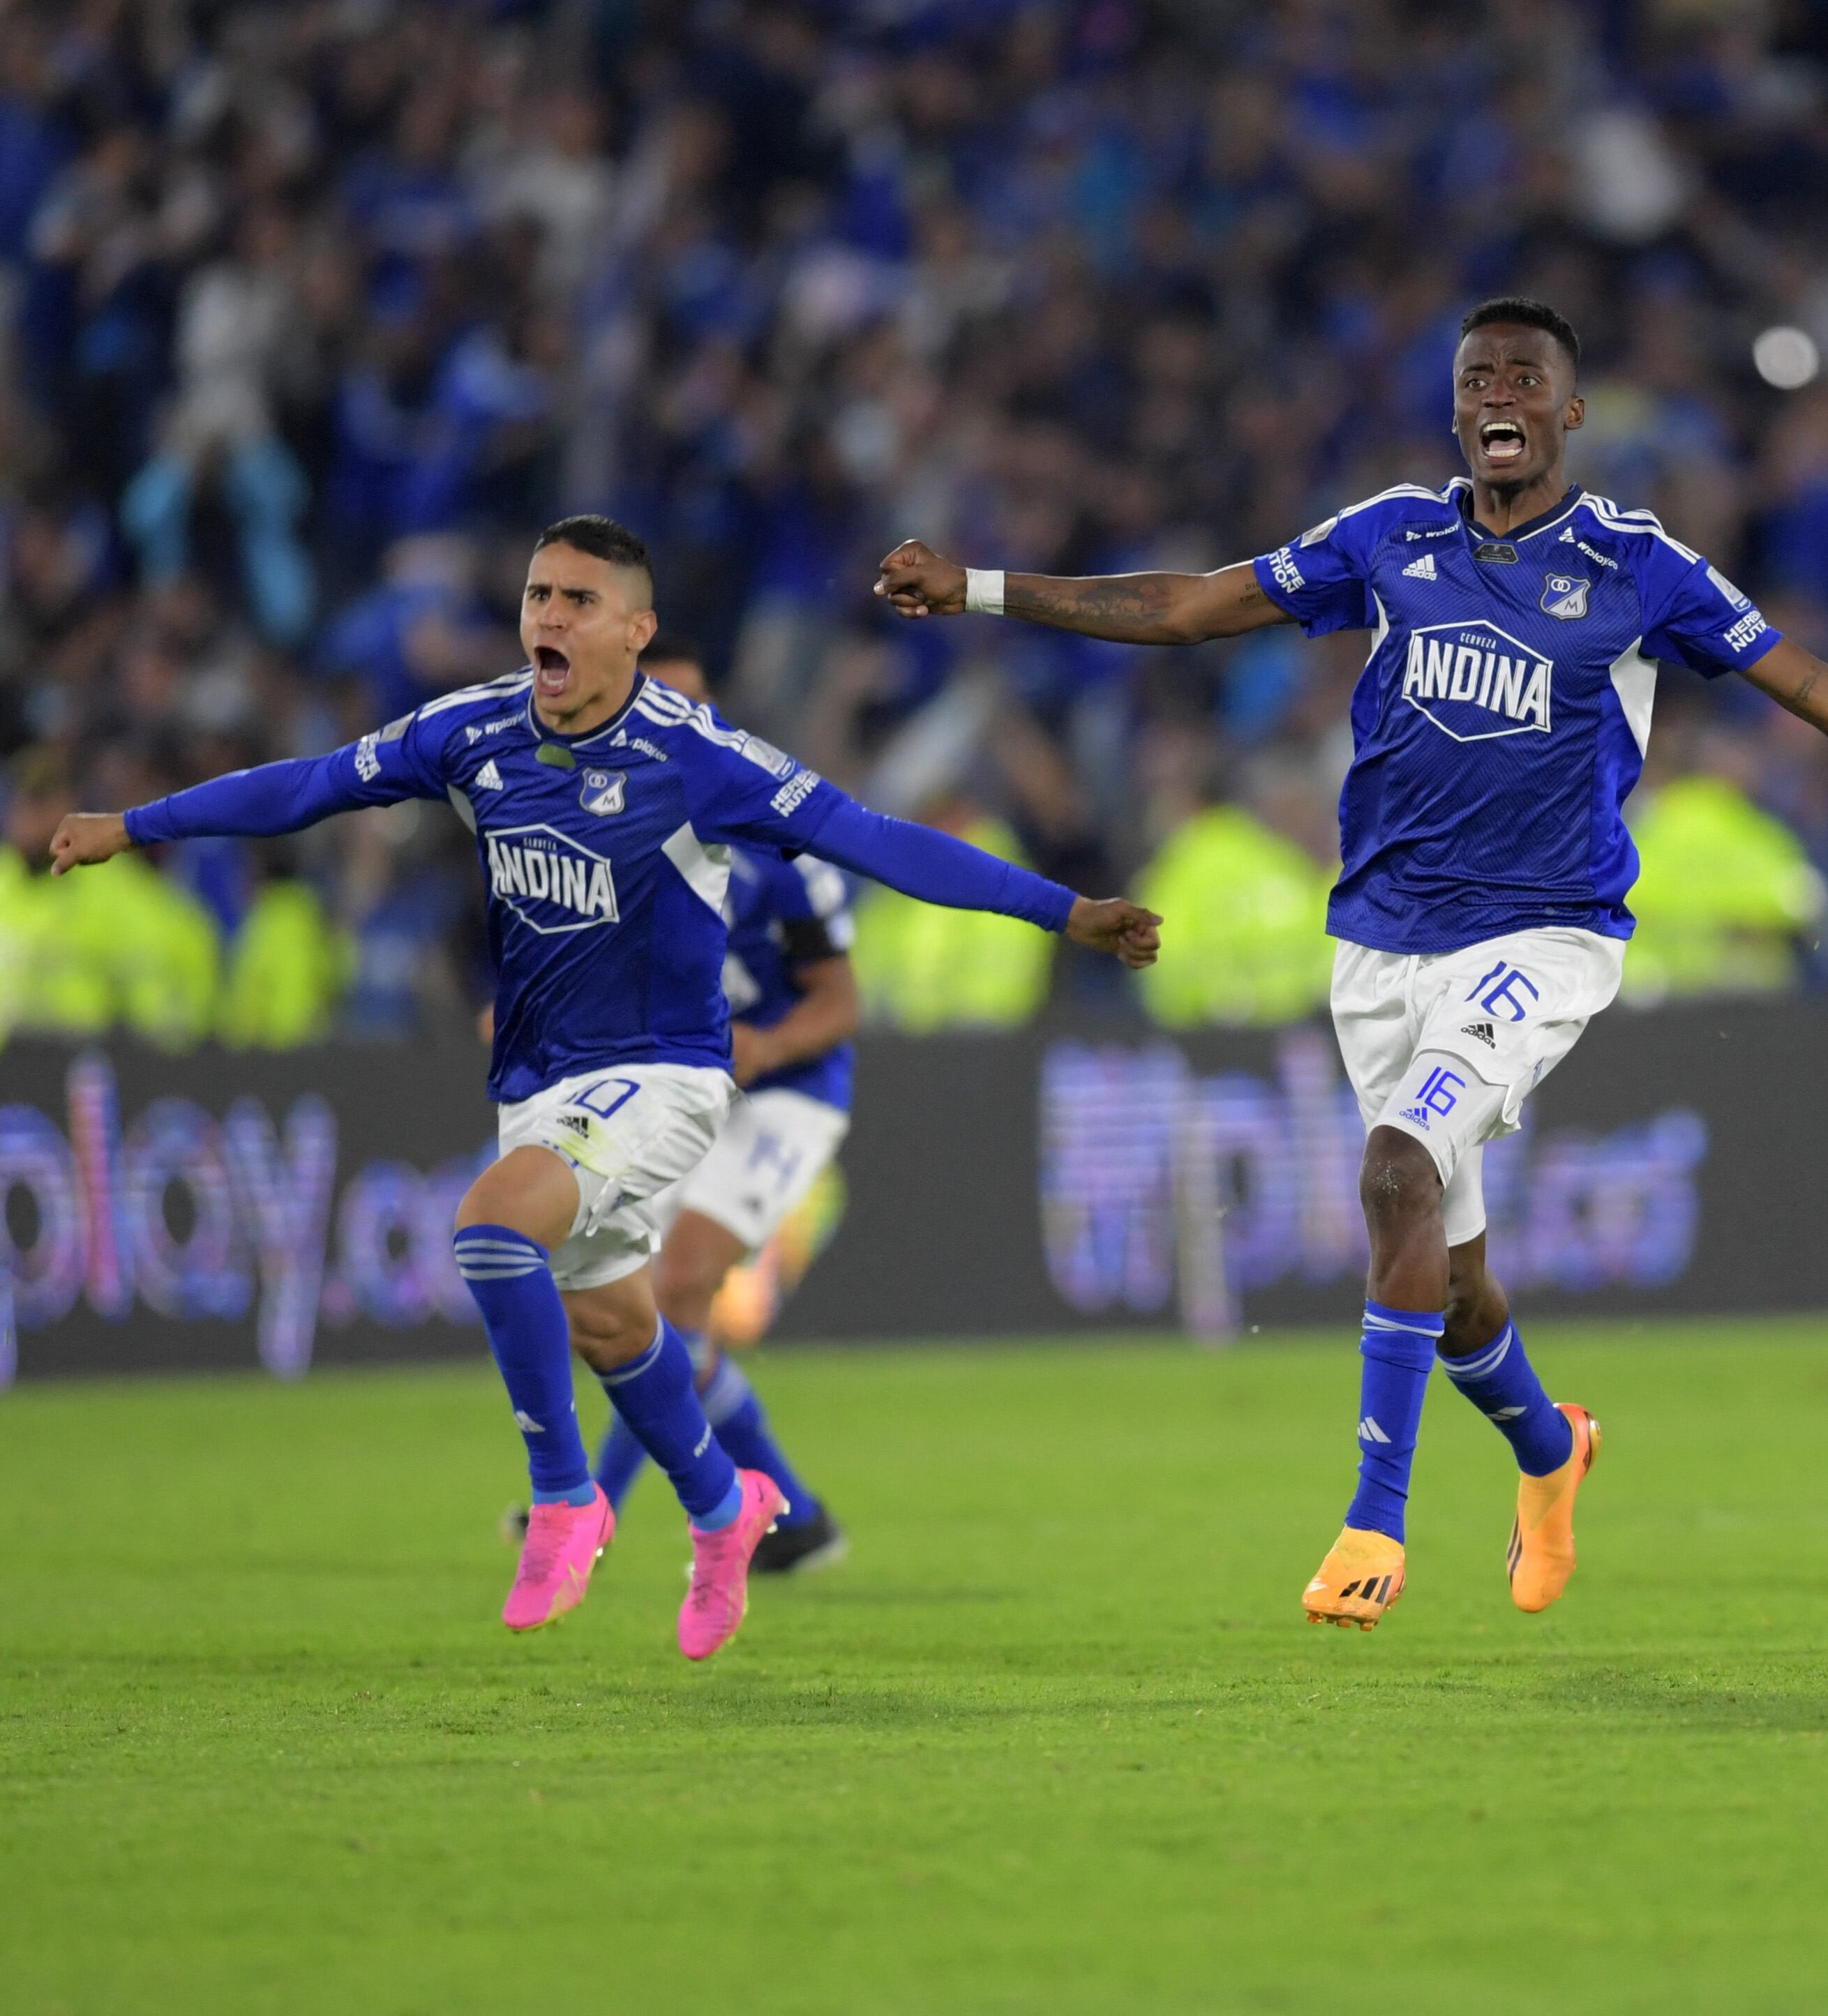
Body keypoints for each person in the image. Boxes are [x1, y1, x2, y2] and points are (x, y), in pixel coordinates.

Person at [874, 296, 1828, 1630]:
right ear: (1455, 409)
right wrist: (979, 586)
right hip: (1379, 947)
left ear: (1569, 412)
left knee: (1397, 1164)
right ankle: (1549, 1452)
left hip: (1542, 938)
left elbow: (1826, 697)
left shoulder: (1638, 566)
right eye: (1475, 377)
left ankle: (1370, 1527)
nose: (1499, 393)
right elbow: (1183, 608)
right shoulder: (1386, 537)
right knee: (1452, 1288)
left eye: (1526, 376)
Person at [51, 517, 1158, 1657]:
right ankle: (729, 1513)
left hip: (666, 1075)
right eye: (537, 595)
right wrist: (136, 827)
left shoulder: (701, 757)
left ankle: (566, 1496)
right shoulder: (471, 730)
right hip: (538, 1080)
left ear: (638, 630)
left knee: (490, 1232)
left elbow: (879, 841)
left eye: (579, 601)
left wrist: (1066, 910)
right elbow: (312, 787)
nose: (548, 617)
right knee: (614, 1323)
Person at [569, 635, 854, 1576]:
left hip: (784, 1097)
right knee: (623, 1307)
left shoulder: (779, 843)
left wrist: (766, 1045)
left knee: (675, 1290)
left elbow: (840, 1001)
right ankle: (795, 1517)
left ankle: (593, 1509)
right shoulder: (610, 840)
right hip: (684, 1088)